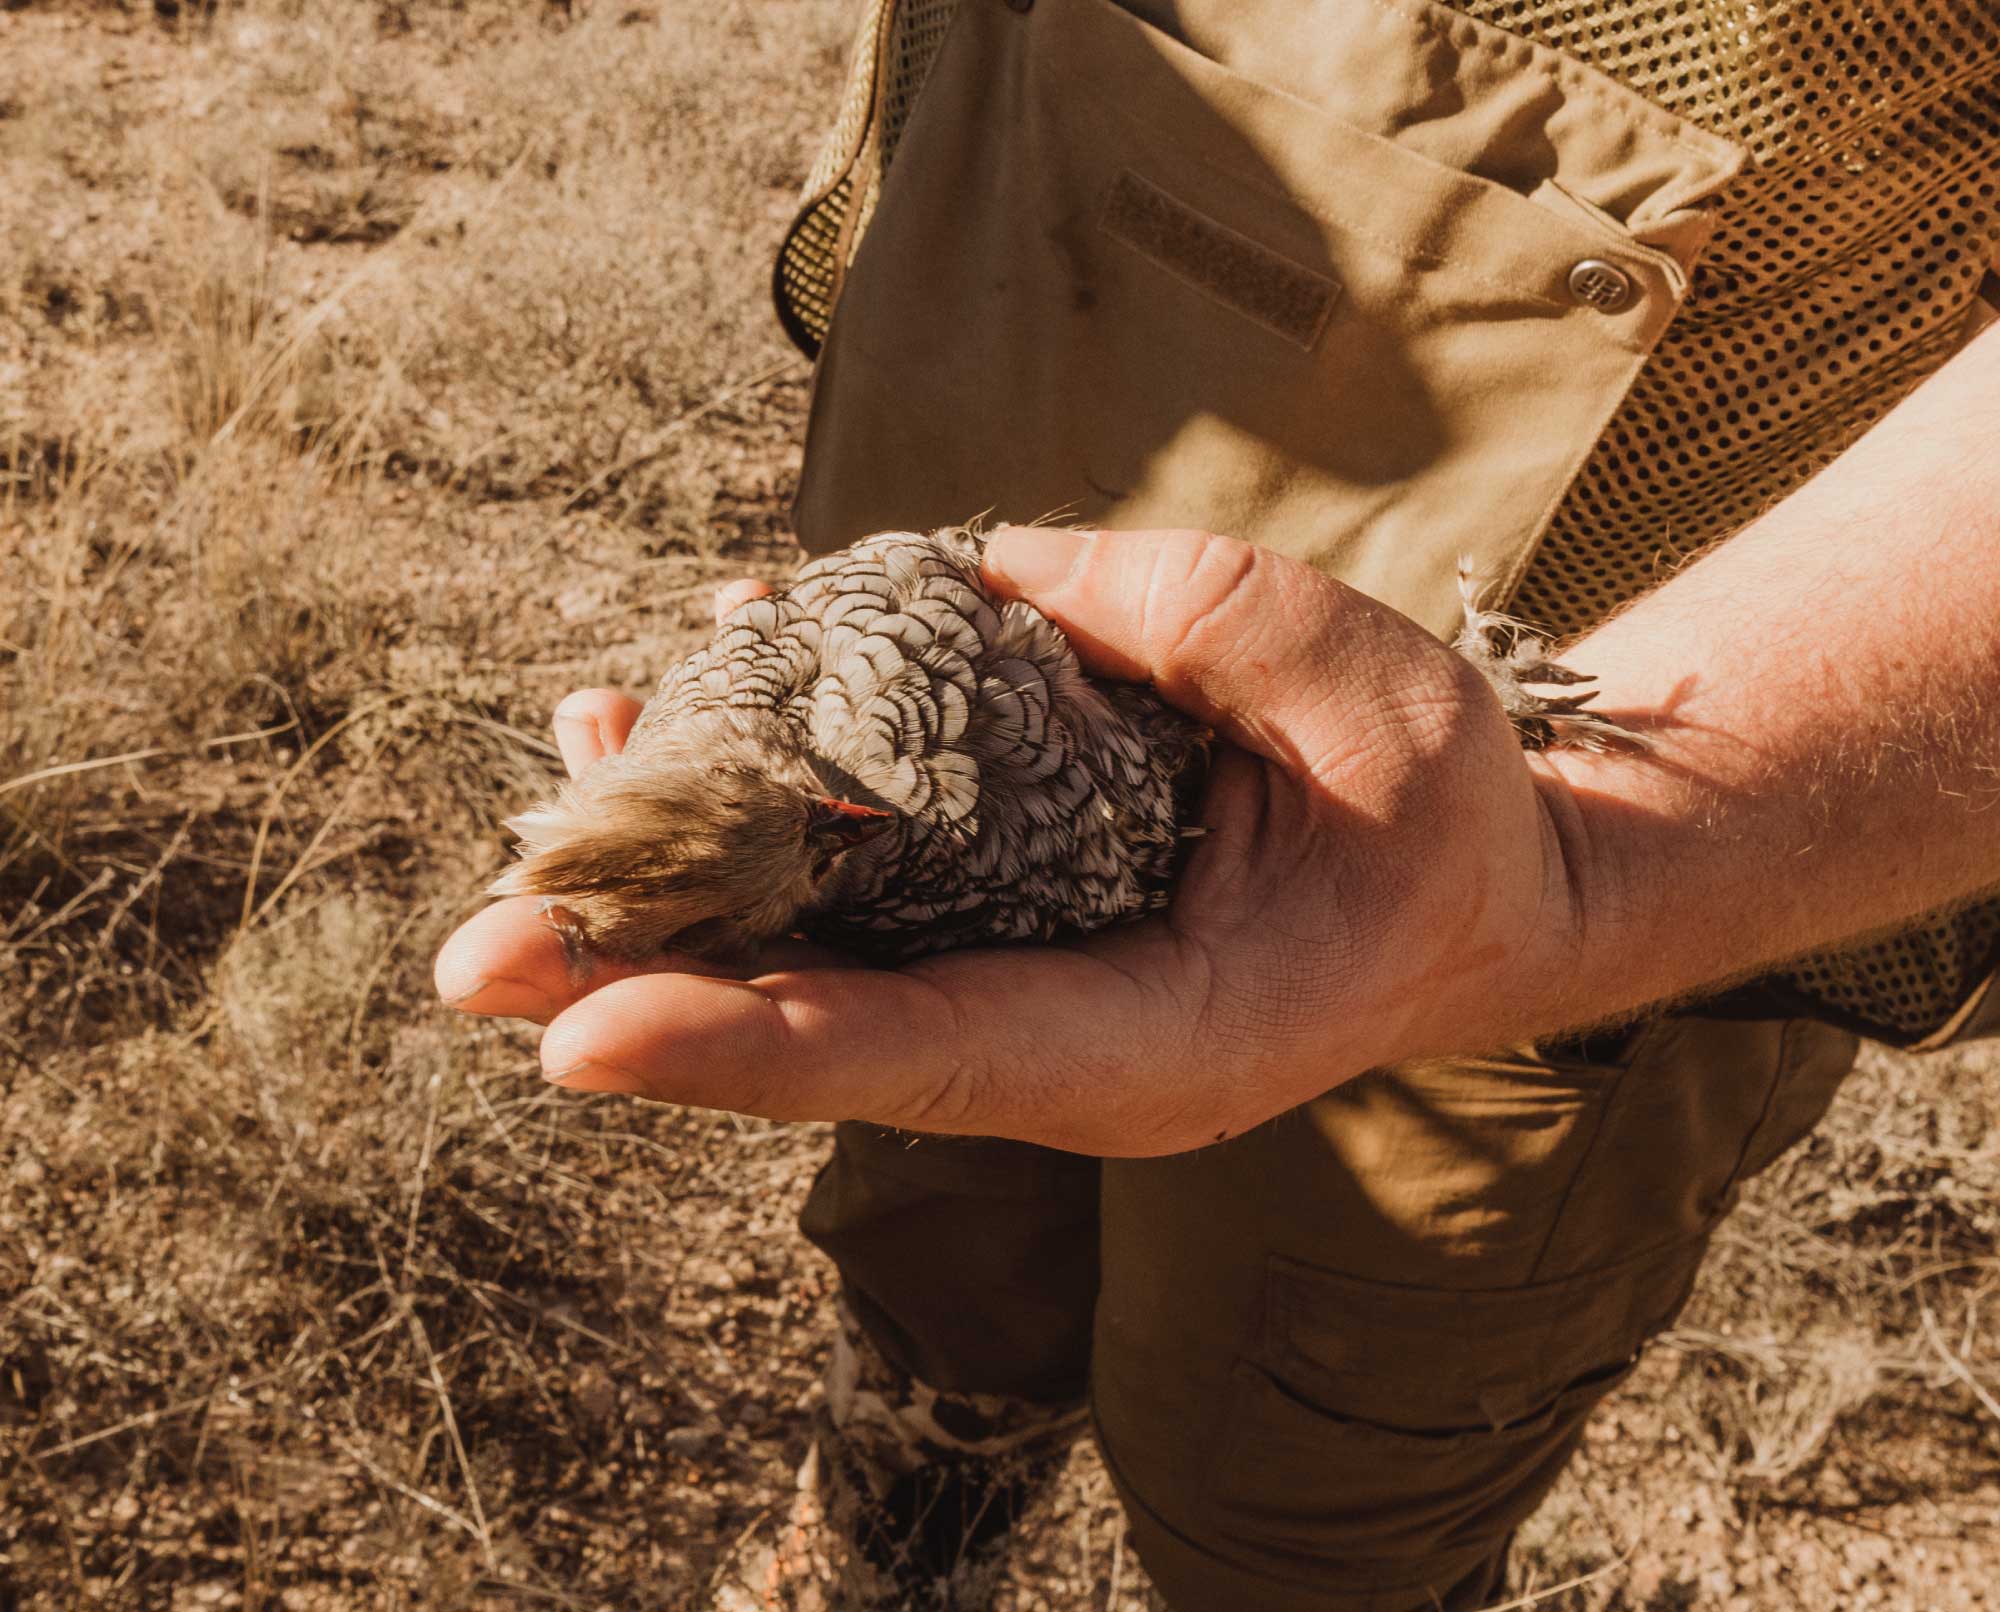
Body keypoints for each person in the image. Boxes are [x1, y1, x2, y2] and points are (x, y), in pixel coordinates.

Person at [437, 1, 2000, 1606]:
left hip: (1613, 766)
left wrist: (1577, 867)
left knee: (1308, 1486)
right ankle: (886, 1564)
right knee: (944, 1268)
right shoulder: (832, 827)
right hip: (989, 436)